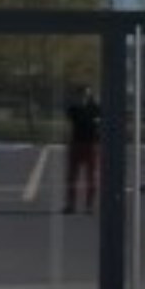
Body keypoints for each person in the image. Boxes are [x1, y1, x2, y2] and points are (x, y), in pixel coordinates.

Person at [63, 85, 101, 213]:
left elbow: (100, 123)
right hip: (76, 143)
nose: (83, 96)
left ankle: (89, 206)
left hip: (92, 144)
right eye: (81, 94)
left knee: (91, 176)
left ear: (90, 95)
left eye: (86, 94)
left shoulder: (95, 108)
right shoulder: (73, 109)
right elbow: (69, 119)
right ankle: (71, 205)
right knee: (72, 176)